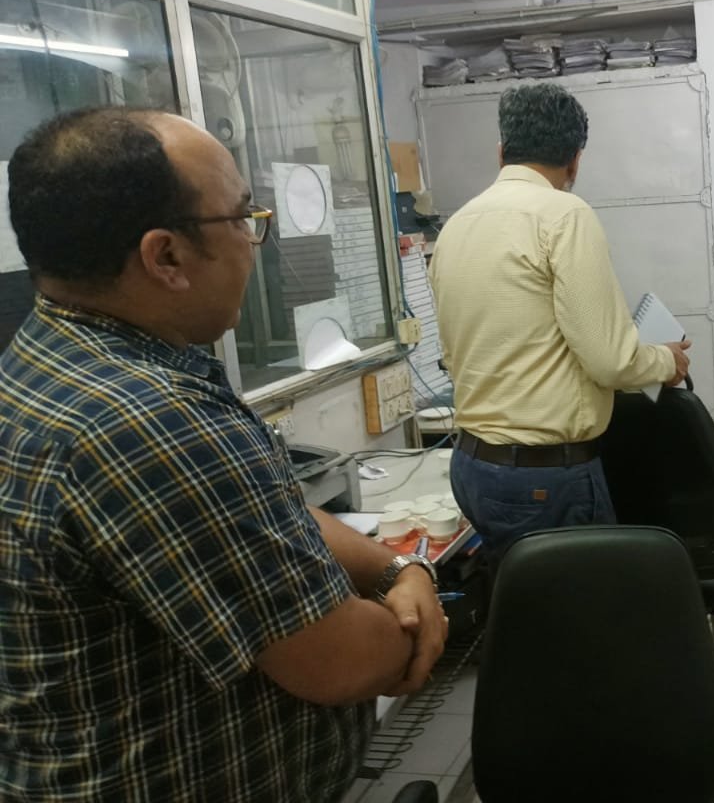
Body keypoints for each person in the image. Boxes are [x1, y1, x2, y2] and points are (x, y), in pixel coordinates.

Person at [0, 108, 448, 803]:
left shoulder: (46, 363)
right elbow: (344, 662)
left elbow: (263, 516)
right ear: (165, 257)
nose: (253, 242)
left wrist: (395, 565)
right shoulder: (154, 421)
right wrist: (419, 608)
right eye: (241, 218)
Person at [429, 83, 690, 557]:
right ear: (575, 161)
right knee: (581, 600)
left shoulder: (456, 226)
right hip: (544, 478)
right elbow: (610, 361)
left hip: (471, 467)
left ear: (502, 151)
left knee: (520, 593)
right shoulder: (565, 215)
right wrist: (665, 361)